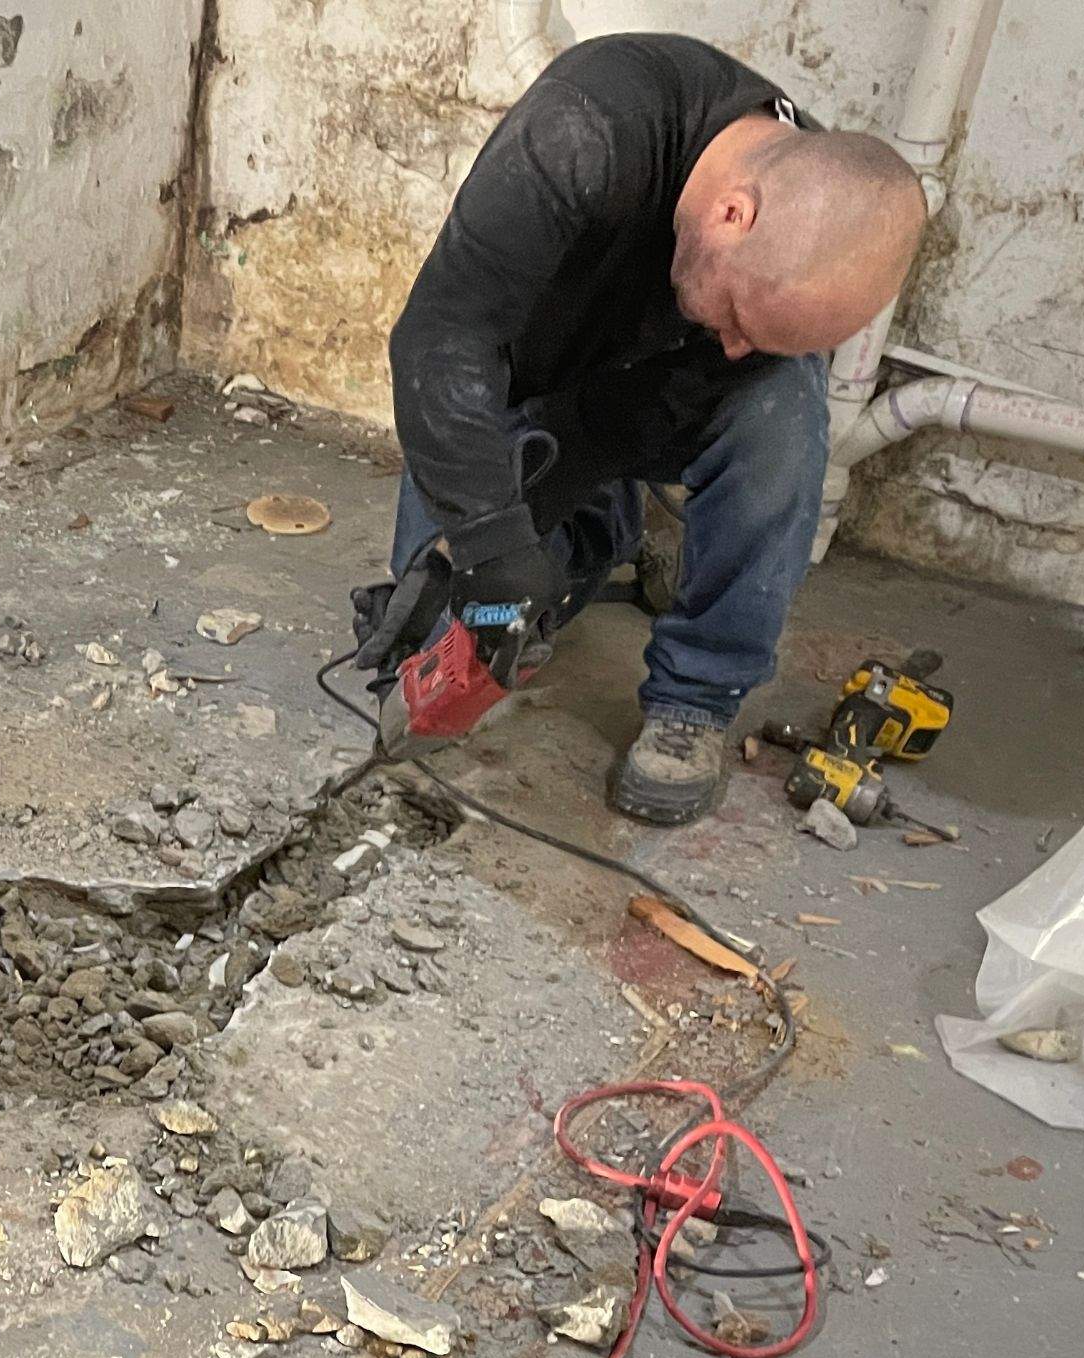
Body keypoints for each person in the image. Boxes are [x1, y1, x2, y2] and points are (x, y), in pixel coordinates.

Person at [376, 33, 925, 824]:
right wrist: (494, 539)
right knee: (445, 613)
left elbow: (681, 388)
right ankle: (602, 538)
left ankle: (696, 697)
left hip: (653, 387)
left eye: (761, 333)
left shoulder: (805, 241)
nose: (736, 345)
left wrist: (532, 513)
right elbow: (441, 337)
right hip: (534, 373)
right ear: (733, 214)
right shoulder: (583, 132)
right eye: (739, 318)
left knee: (783, 410)